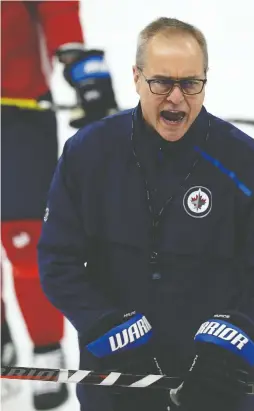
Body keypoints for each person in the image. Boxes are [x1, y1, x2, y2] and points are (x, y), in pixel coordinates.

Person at [37, 17, 254, 411]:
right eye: (161, 81)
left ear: (205, 80)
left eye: (190, 83)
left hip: (217, 389)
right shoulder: (88, 154)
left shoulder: (247, 164)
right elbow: (58, 261)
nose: (176, 98)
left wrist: (231, 348)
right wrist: (112, 332)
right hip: (116, 381)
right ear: (135, 77)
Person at [1, 1, 119, 409]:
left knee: (24, 241)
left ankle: (45, 347)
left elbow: (56, 8)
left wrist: (79, 63)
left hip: (18, 108)